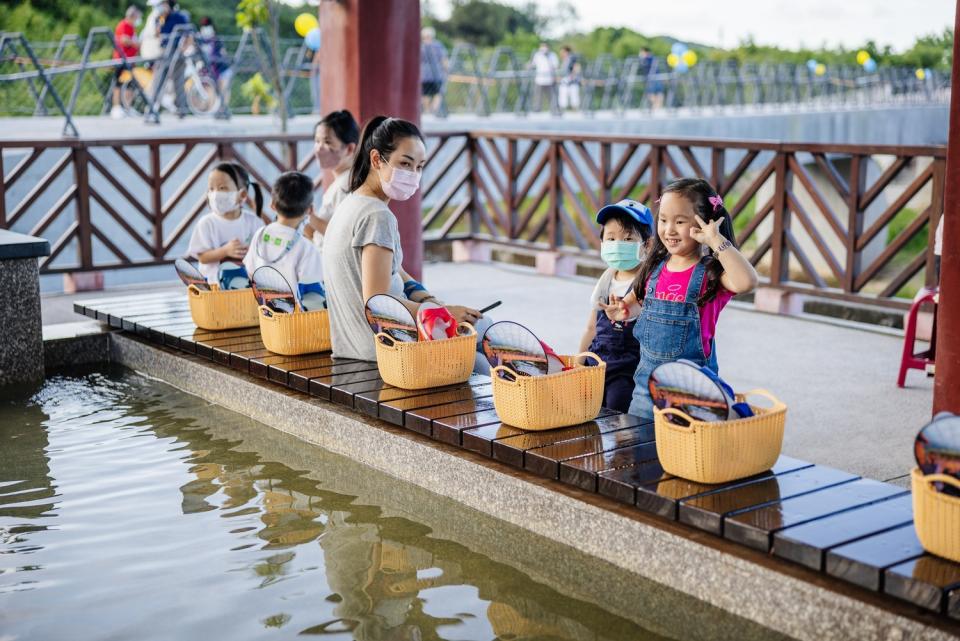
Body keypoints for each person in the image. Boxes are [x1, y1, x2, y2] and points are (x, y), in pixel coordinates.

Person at [322, 116, 482, 362]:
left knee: (479, 330)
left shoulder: (351, 203)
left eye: (419, 167)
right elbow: (378, 303)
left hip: (354, 347)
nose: (413, 175)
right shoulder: (377, 215)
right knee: (482, 349)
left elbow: (394, 270)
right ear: (377, 159)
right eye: (405, 164)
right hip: (384, 353)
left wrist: (429, 300)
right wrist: (443, 313)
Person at [601, 178, 759, 418]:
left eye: (680, 221)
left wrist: (716, 241)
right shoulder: (653, 268)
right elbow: (636, 305)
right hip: (645, 393)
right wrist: (624, 311)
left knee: (684, 453)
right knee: (637, 450)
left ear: (704, 223)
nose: (669, 229)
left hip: (692, 396)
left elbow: (747, 281)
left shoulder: (711, 273)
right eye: (663, 220)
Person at [577, 200, 653, 413]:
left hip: (627, 369)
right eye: (611, 238)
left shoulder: (649, 282)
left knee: (616, 414)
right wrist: (579, 361)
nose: (618, 244)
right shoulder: (605, 280)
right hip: (597, 363)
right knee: (589, 413)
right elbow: (591, 328)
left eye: (628, 238)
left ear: (647, 244)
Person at [243, 172, 325, 306]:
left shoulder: (260, 235)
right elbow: (313, 296)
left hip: (267, 314)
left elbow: (251, 272)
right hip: (295, 320)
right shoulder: (307, 248)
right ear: (310, 210)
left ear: (273, 205)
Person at [187, 162, 265, 286]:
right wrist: (225, 251)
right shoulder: (206, 223)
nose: (215, 194)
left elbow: (263, 252)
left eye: (222, 188)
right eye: (211, 189)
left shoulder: (254, 222)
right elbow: (202, 257)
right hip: (214, 288)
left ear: (242, 194)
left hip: (247, 288)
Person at [304, 110, 360, 248]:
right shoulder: (341, 181)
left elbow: (342, 234)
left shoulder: (348, 184)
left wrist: (308, 216)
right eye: (317, 141)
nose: (318, 148)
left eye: (327, 142)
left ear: (349, 149)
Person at [158, 0, 189, 117]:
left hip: (177, 50)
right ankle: (153, 105)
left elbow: (188, 34)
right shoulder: (161, 18)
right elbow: (158, 34)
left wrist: (183, 49)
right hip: (164, 50)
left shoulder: (179, 17)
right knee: (159, 78)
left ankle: (181, 108)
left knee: (179, 80)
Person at [110, 6, 142, 119]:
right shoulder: (123, 25)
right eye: (137, 17)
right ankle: (116, 107)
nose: (138, 20)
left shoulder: (132, 27)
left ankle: (128, 107)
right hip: (121, 59)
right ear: (132, 16)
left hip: (130, 60)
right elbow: (124, 40)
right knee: (118, 84)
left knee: (131, 84)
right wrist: (137, 44)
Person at [197, 17, 232, 104]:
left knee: (223, 89)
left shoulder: (217, 40)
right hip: (208, 69)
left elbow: (223, 53)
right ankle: (211, 109)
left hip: (221, 68)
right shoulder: (200, 40)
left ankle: (224, 108)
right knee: (209, 88)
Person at [420, 27, 448, 116]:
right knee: (438, 93)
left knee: (425, 94)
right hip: (436, 74)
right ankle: (434, 110)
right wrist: (446, 69)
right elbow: (443, 59)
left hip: (423, 75)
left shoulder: (421, 46)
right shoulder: (438, 45)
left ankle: (427, 111)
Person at [529, 42, 558, 114]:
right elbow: (533, 65)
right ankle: (537, 109)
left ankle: (554, 109)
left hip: (550, 79)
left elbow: (555, 66)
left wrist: (555, 77)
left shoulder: (552, 55)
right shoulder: (537, 55)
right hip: (539, 79)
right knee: (538, 96)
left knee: (551, 96)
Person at [557, 45, 581, 111]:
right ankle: (563, 109)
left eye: (562, 52)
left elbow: (576, 67)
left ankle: (575, 109)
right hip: (565, 79)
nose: (561, 54)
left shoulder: (572, 58)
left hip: (571, 79)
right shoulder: (564, 60)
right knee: (563, 94)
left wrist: (573, 75)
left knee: (574, 95)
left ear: (566, 52)